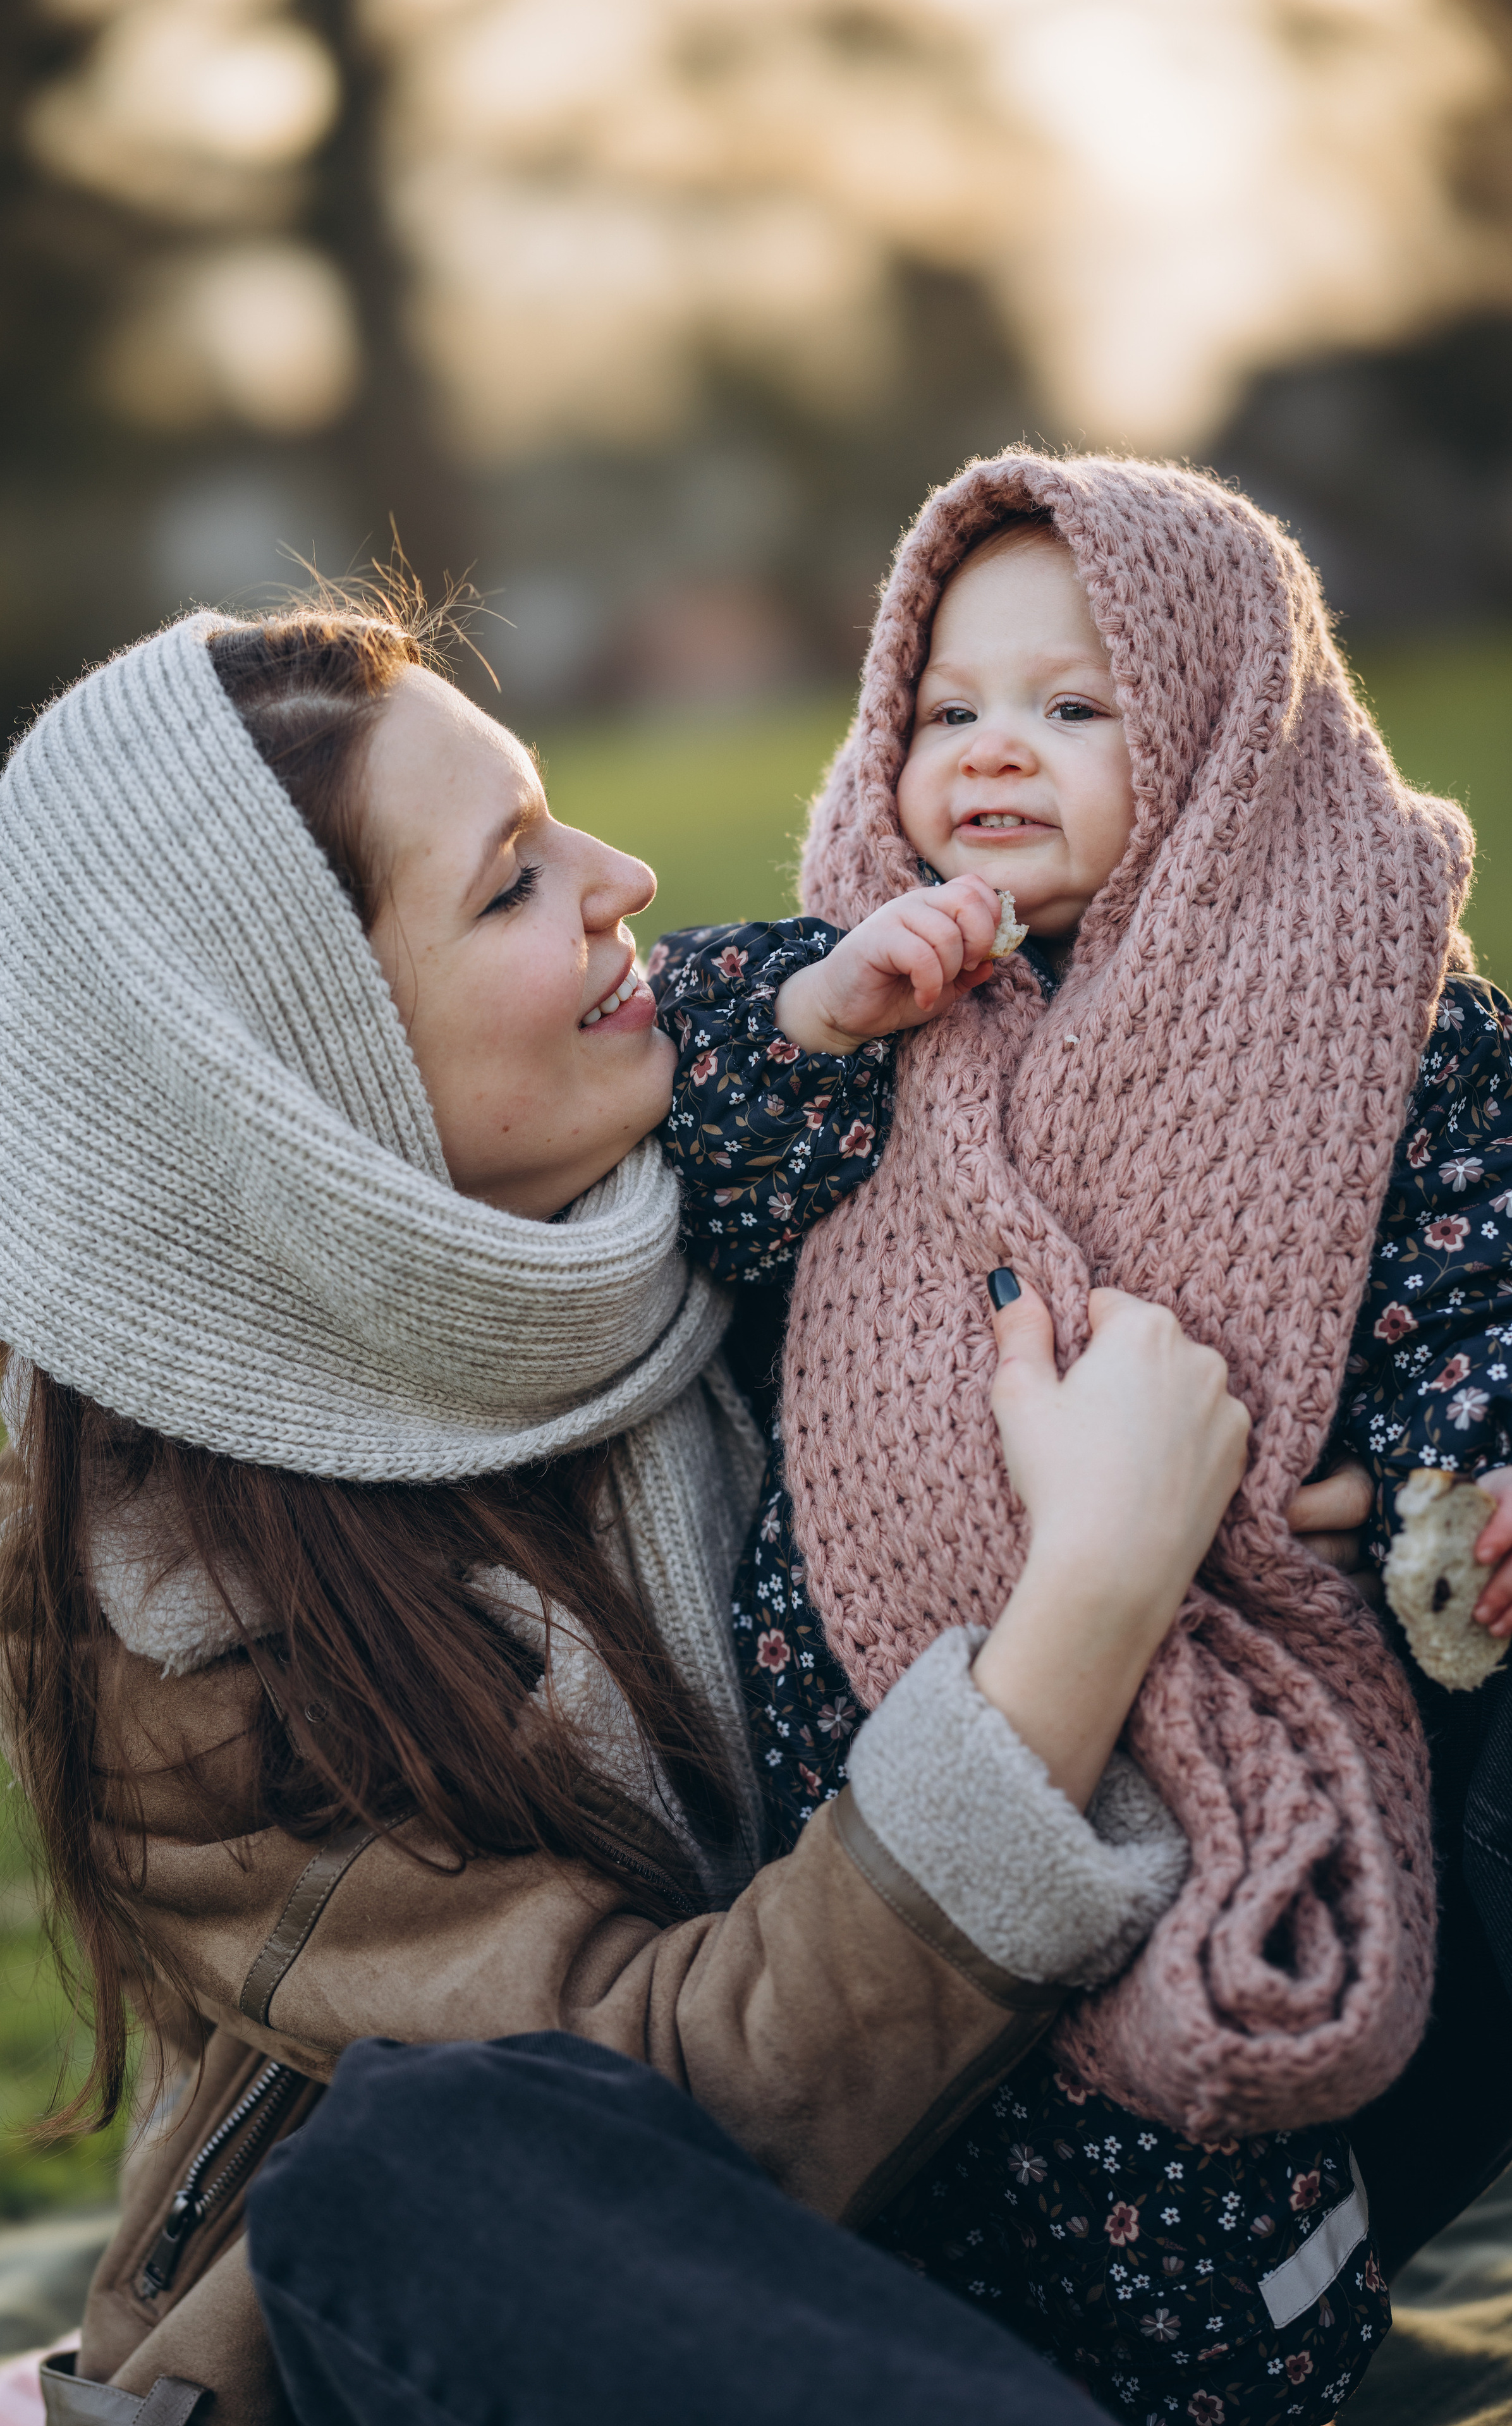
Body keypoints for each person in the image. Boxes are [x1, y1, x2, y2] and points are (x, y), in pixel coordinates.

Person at [0, 599, 1260, 2426]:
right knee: (417, 2169)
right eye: (510, 885)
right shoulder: (143, 1597)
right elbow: (667, 2114)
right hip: (555, 2312)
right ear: (307, 1090)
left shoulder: (754, 1165)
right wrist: (1090, 1603)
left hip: (1054, 2182)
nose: (625, 876)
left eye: (560, 824)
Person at [644, 452, 1512, 2424]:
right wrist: (817, 1017)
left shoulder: (1378, 1029)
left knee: (1178, 2119)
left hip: (1225, 1676)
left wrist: (1454, 1465)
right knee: (928, 2121)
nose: (988, 755)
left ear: (1225, 736)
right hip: (889, 1721)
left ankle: (1240, 2352)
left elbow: (1477, 1273)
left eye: (1071, 705)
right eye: (945, 709)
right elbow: (684, 1161)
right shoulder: (864, 994)